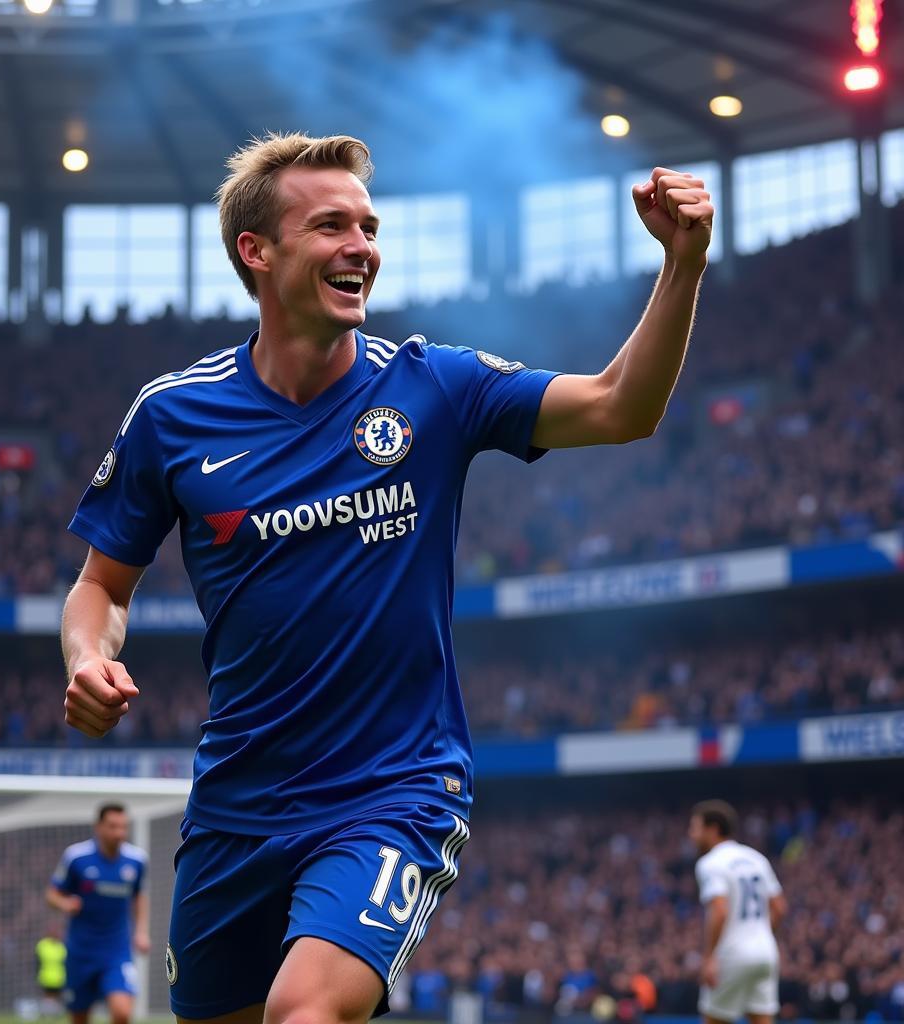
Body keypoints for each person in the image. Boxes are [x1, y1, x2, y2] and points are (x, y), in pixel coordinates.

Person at [61, 131, 712, 1024]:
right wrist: (87, 656)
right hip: (235, 805)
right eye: (330, 225)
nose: (361, 246)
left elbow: (619, 405)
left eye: (368, 227)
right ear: (258, 252)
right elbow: (101, 586)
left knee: (305, 1013)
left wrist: (683, 265)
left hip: (391, 790)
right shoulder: (173, 416)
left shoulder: (433, 386)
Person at [45, 803, 150, 1024]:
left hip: (117, 952)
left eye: (123, 827)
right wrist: (65, 903)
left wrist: (141, 932)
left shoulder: (137, 861)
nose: (119, 833)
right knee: (79, 1018)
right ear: (99, 827)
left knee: (122, 1012)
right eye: (113, 826)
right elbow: (52, 894)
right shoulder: (76, 857)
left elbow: (139, 896)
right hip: (80, 952)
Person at [689, 800, 788, 1024]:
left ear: (713, 829)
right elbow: (780, 907)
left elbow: (720, 911)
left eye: (695, 828)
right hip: (765, 953)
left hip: (731, 954)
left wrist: (708, 958)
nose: (691, 835)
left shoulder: (710, 863)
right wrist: (760, 935)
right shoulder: (756, 858)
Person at [35, 919, 68, 1017]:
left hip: (60, 977)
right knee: (48, 997)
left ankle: (55, 1015)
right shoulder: (42, 945)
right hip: (46, 977)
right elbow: (37, 962)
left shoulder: (62, 946)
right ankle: (46, 1014)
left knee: (58, 998)